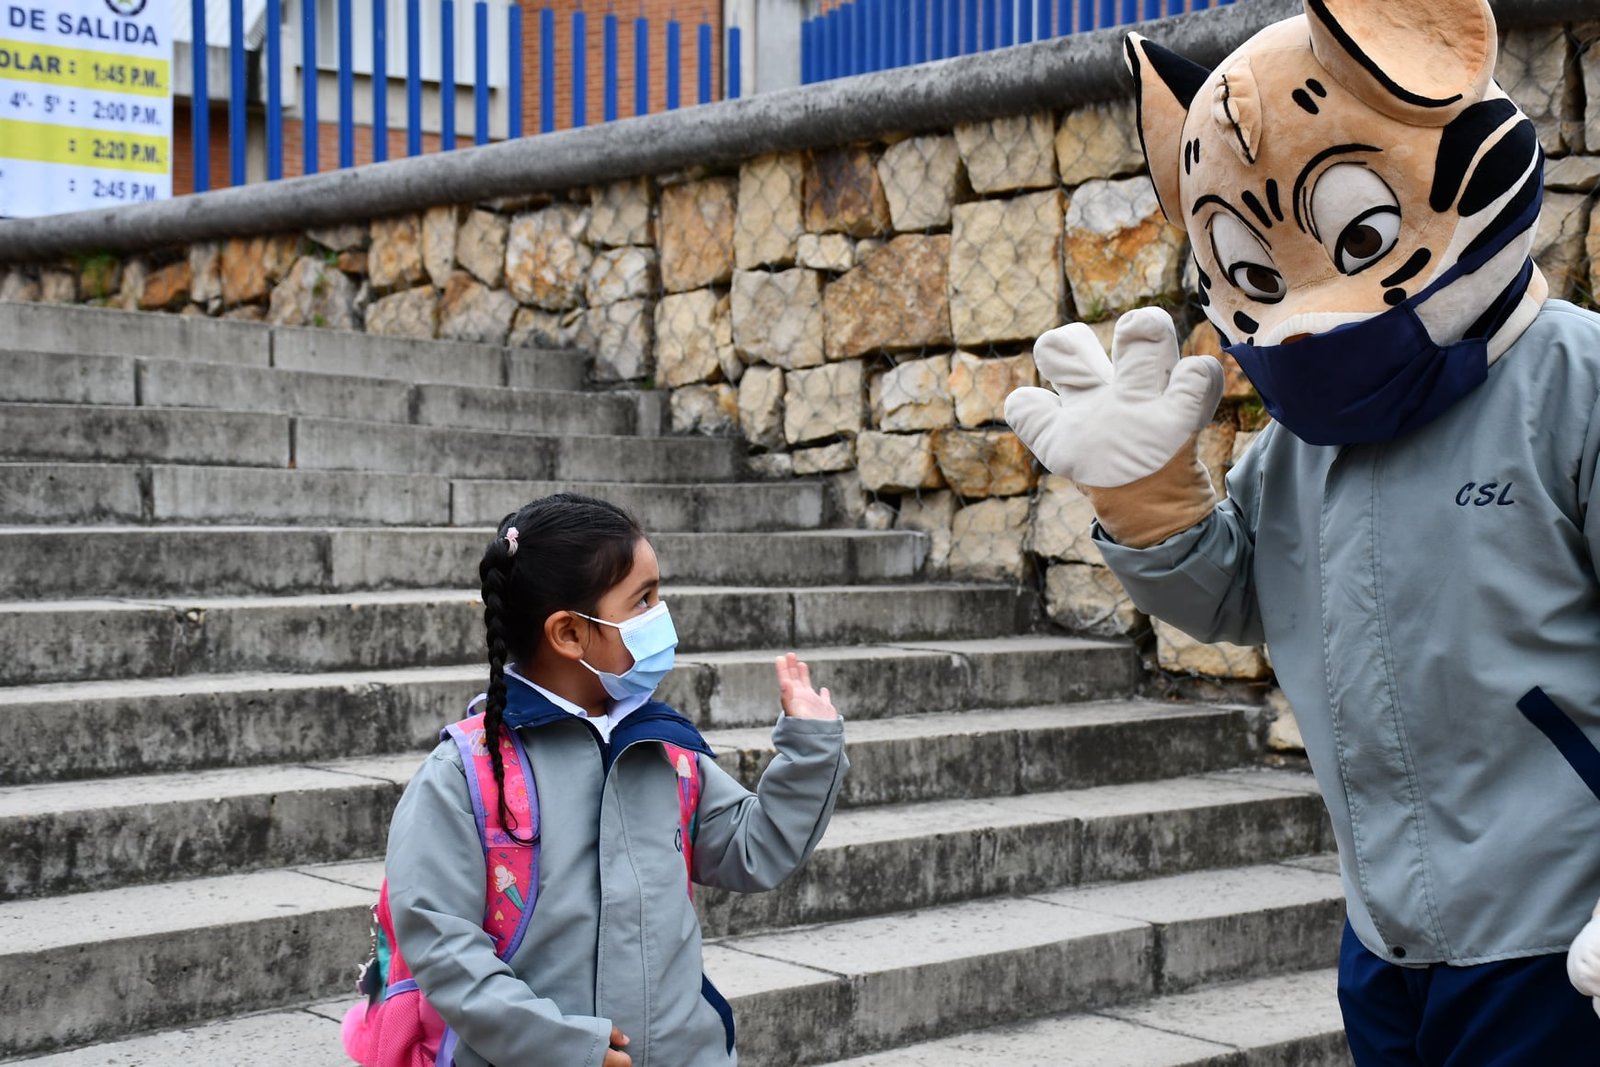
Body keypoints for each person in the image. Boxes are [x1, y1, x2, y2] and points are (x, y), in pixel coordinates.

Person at [1006, 0, 1600, 1061]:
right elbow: (1234, 594)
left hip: (1562, 935)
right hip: (1386, 934)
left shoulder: (1573, 382)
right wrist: (1145, 496)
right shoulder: (1300, 445)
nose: (1306, 312)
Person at [384, 493, 848, 1067]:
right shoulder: (466, 775)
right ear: (570, 634)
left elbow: (754, 849)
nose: (662, 616)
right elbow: (443, 946)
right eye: (643, 600)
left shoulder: (661, 746)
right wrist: (565, 1046)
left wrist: (811, 749)